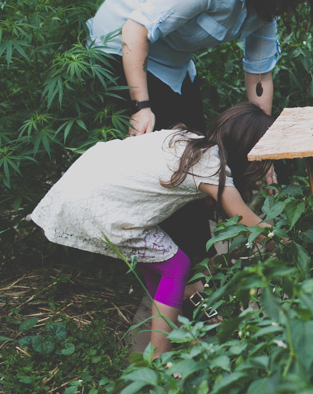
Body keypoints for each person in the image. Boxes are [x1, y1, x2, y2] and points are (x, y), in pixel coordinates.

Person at [86, 0, 313, 266]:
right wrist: (141, 106)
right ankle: (191, 278)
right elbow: (136, 28)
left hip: (172, 63)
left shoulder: (266, 1)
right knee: (181, 166)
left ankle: (204, 254)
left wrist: (262, 152)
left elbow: (259, 75)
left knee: (204, 154)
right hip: (120, 49)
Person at [30, 103, 274, 357]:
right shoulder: (211, 169)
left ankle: (180, 332)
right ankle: (160, 356)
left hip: (87, 176)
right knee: (176, 266)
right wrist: (289, 244)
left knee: (158, 260)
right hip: (100, 205)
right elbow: (246, 220)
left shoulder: (189, 140)